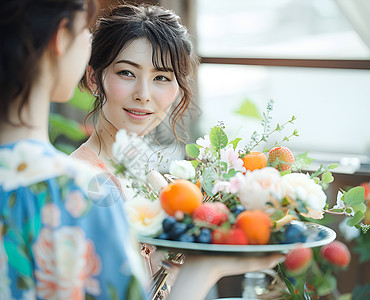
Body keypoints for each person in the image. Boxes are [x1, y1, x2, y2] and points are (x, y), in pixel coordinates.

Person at [0, 0, 149, 299]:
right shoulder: (82, 192)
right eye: (86, 32)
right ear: (60, 36)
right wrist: (202, 269)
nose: (89, 44)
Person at [71, 4, 284, 300]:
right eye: (126, 73)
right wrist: (208, 268)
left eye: (161, 78)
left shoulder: (152, 177)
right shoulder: (89, 185)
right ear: (95, 78)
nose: (143, 93)